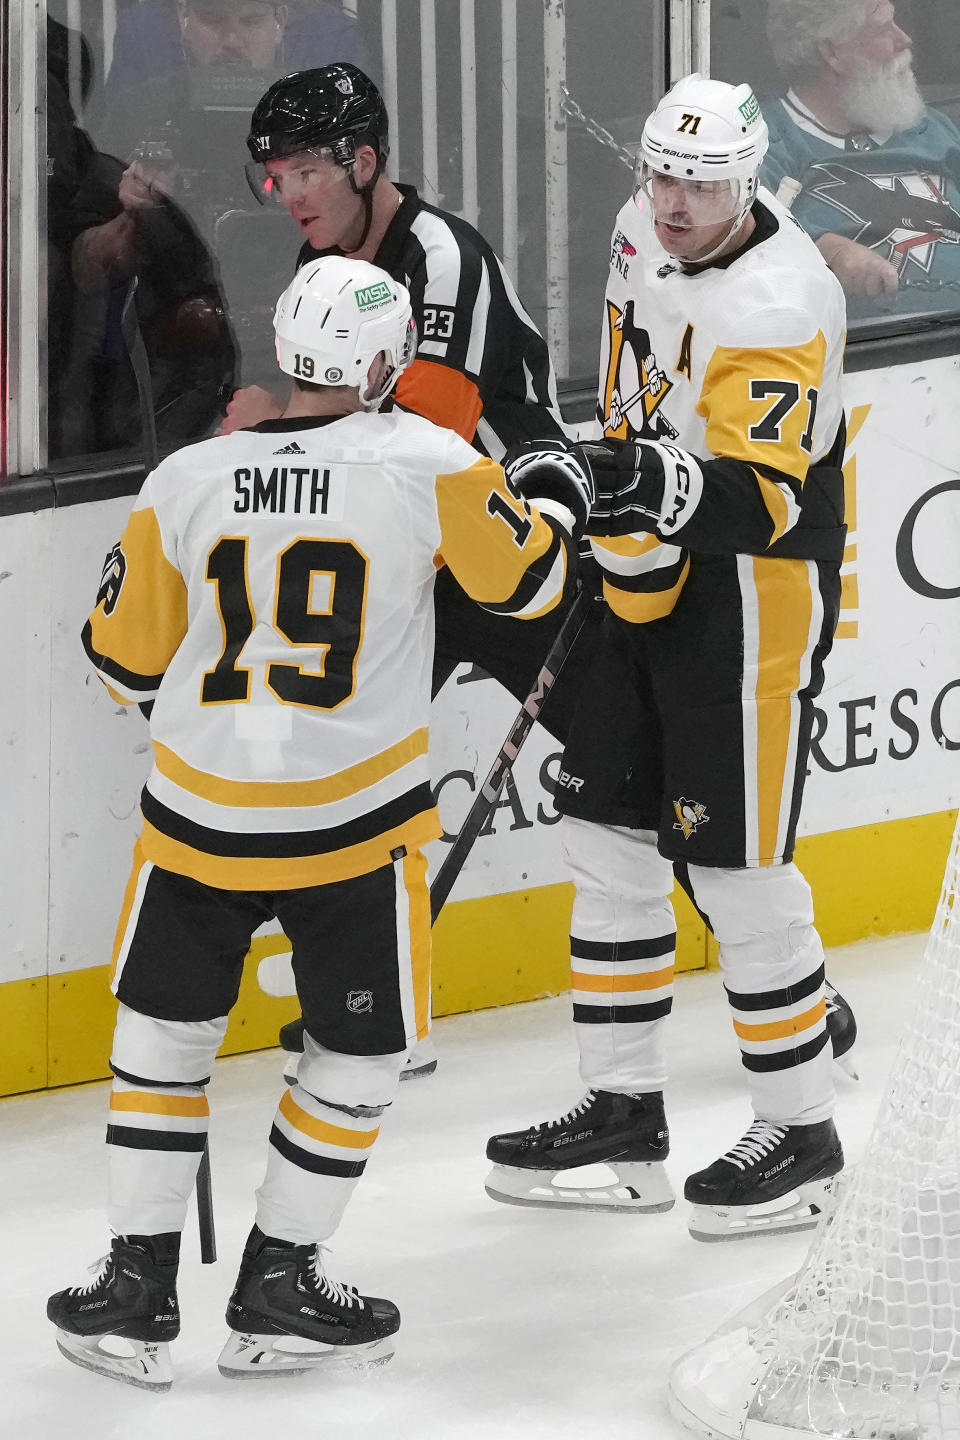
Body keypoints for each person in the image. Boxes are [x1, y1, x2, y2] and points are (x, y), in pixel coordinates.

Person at [46, 255, 590, 1388]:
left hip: (197, 814)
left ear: (280, 351)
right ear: (385, 366)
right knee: (360, 1051)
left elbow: (117, 657)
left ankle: (135, 1288)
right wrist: (545, 489)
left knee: (159, 1039)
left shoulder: (187, 479)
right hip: (353, 826)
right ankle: (281, 1280)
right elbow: (531, 584)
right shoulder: (427, 462)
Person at [484, 74, 851, 1242]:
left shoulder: (786, 298)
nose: (675, 200)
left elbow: (765, 500)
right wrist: (605, 496)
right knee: (604, 838)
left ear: (750, 181)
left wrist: (620, 482)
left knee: (739, 874)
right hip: (641, 570)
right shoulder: (637, 227)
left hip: (750, 600)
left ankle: (801, 1133)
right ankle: (623, 1112)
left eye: (702, 182)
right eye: (661, 173)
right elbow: (639, 389)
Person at [230, 63, 606, 1072]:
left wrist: (277, 433)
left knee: (631, 766)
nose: (291, 194)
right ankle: (371, 1006)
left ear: (363, 160)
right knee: (344, 769)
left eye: (306, 170)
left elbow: (423, 425)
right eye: (276, 176)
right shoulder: (323, 272)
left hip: (511, 544)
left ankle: (794, 989)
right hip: (415, 565)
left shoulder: (441, 258)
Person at [761, 0, 960, 315]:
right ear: (831, 52)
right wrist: (828, 251)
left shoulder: (931, 127)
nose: (904, 39)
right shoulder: (762, 141)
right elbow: (733, 238)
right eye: (883, 28)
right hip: (872, 355)